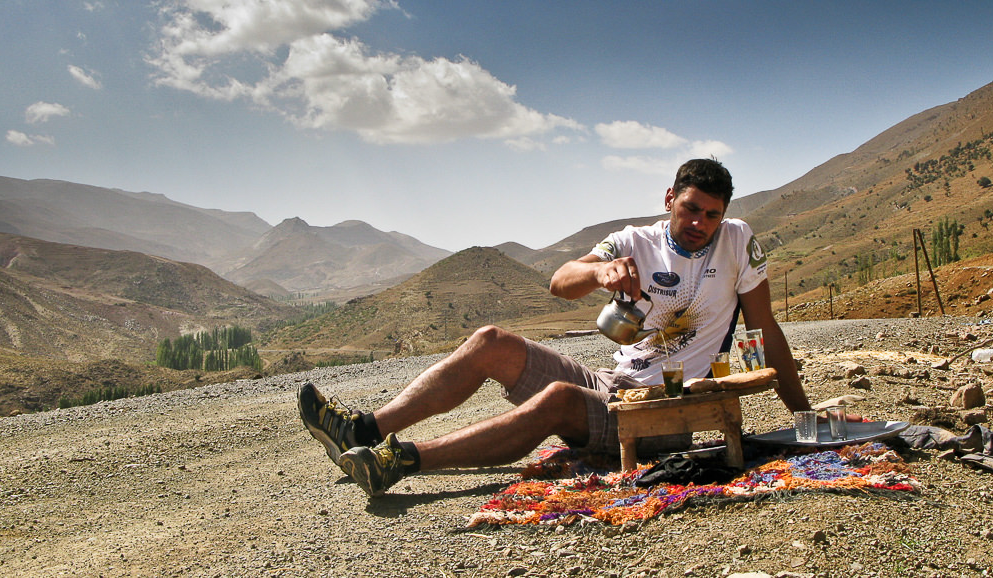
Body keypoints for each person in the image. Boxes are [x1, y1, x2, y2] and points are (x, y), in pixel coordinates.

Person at [298, 158, 812, 497]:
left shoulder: (739, 242)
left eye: (712, 215)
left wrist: (806, 419)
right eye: (691, 208)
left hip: (671, 410)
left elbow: (765, 330)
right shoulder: (634, 240)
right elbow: (560, 280)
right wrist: (599, 272)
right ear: (669, 198)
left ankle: (399, 462)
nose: (700, 222)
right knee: (491, 342)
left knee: (559, 400)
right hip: (617, 385)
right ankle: (363, 430)